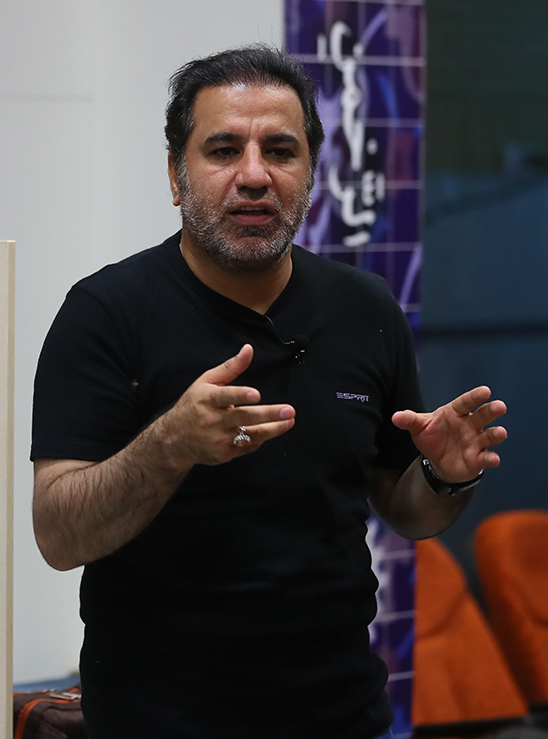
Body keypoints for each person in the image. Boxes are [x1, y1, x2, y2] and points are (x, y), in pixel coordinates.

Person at [30, 45, 508, 738]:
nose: (254, 175)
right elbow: (58, 535)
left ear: (311, 173)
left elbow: (404, 509)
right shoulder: (106, 314)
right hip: (160, 720)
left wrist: (442, 476)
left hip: (342, 715)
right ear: (176, 175)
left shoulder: (366, 309)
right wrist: (169, 446)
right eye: (224, 150)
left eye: (280, 151)